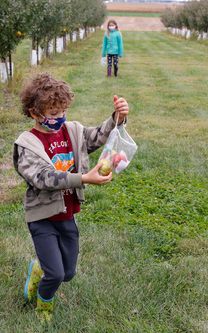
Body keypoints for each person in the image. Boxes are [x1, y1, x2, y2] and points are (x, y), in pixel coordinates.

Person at [13, 73, 129, 322]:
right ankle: (44, 304)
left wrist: (117, 118)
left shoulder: (72, 131)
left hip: (67, 215)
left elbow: (98, 136)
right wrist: (84, 178)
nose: (59, 118)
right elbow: (44, 178)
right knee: (54, 275)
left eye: (62, 112)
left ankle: (39, 268)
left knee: (68, 272)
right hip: (42, 217)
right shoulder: (27, 145)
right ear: (34, 112)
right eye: (52, 114)